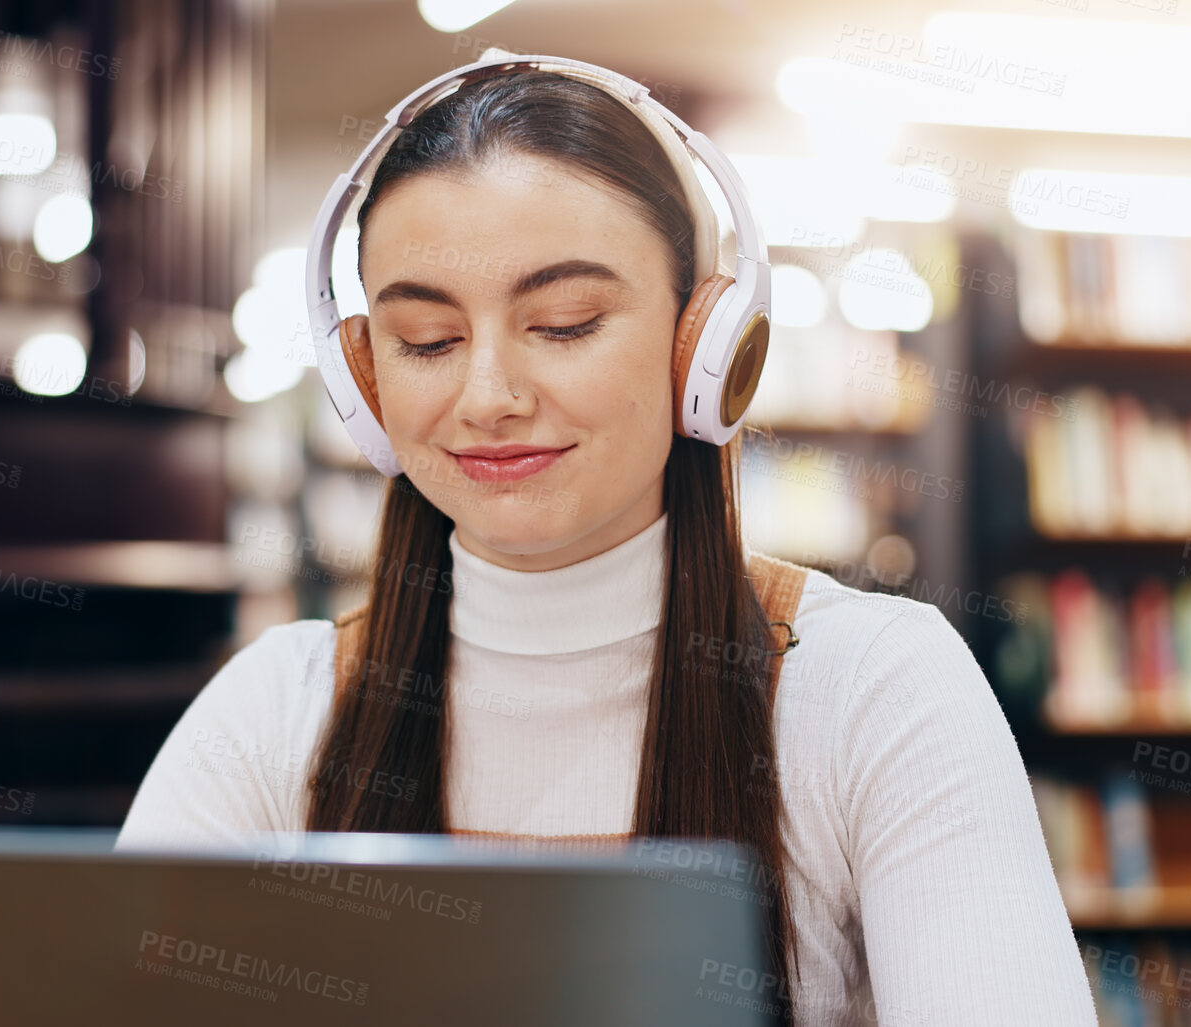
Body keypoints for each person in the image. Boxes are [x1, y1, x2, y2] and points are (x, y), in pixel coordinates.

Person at [117, 62, 1095, 1025]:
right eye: (426, 340)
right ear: (365, 380)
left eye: (564, 323)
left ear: (704, 346)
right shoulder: (276, 711)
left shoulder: (875, 688)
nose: (490, 396)